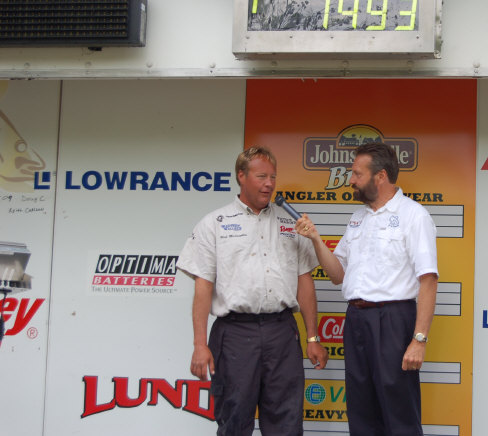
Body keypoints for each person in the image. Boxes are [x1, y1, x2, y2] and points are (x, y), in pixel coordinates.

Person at [176, 146, 328, 436]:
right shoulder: (214, 224)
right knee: (234, 420)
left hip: (282, 333)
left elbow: (305, 282)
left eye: (273, 177)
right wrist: (199, 344)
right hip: (234, 334)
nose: (269, 184)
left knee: (287, 424)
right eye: (261, 177)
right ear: (241, 176)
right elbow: (203, 286)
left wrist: (312, 337)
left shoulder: (291, 224)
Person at [295, 142, 438, 436]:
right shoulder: (357, 218)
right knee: (361, 410)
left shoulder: (414, 215)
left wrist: (419, 339)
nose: (351, 180)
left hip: (393, 320)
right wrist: (316, 239)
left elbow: (428, 280)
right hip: (357, 320)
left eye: (357, 174)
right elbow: (337, 274)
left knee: (398, 411)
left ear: (380, 176)